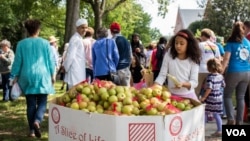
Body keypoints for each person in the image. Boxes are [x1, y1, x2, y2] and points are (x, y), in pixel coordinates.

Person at [10, 19, 55, 138]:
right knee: (42, 102)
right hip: (43, 75)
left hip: (27, 76)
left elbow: (17, 62)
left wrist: (13, 76)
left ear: (27, 30)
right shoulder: (45, 43)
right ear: (38, 30)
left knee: (30, 104)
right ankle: (37, 121)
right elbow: (51, 61)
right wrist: (53, 75)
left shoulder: (21, 44)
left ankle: (31, 131)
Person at [154, 29, 201, 100]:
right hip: (170, 96)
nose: (178, 46)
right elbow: (162, 74)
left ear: (189, 44)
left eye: (182, 43)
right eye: (176, 43)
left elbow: (194, 82)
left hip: (188, 97)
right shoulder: (169, 54)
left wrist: (183, 84)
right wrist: (155, 86)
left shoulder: (193, 59)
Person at [222, 21, 250, 125]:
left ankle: (230, 119)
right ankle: (240, 122)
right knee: (241, 97)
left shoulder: (231, 42)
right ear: (243, 29)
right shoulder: (248, 43)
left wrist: (221, 70)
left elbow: (226, 59)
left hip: (234, 71)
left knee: (227, 95)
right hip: (247, 72)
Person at [200, 58, 225, 137]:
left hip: (211, 98)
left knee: (205, 113)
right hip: (219, 98)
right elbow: (224, 85)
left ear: (209, 67)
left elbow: (209, 89)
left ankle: (201, 129)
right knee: (217, 114)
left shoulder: (209, 77)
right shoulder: (221, 76)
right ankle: (220, 130)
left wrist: (203, 97)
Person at [195, 28, 221, 97]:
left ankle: (196, 103)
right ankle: (206, 103)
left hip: (200, 69)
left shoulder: (200, 45)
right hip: (211, 70)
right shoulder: (215, 46)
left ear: (203, 36)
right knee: (208, 89)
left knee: (197, 90)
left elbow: (196, 57)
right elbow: (218, 59)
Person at [63, 18, 88, 89]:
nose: (85, 30)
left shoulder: (79, 38)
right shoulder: (75, 39)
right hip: (75, 72)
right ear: (77, 28)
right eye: (82, 27)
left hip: (79, 71)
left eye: (86, 27)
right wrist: (66, 67)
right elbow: (70, 56)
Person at [110, 22, 132, 86]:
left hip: (116, 71)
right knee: (127, 93)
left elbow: (110, 57)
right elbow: (131, 56)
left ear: (111, 31)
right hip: (126, 69)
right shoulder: (127, 41)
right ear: (120, 30)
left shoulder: (111, 41)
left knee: (116, 93)